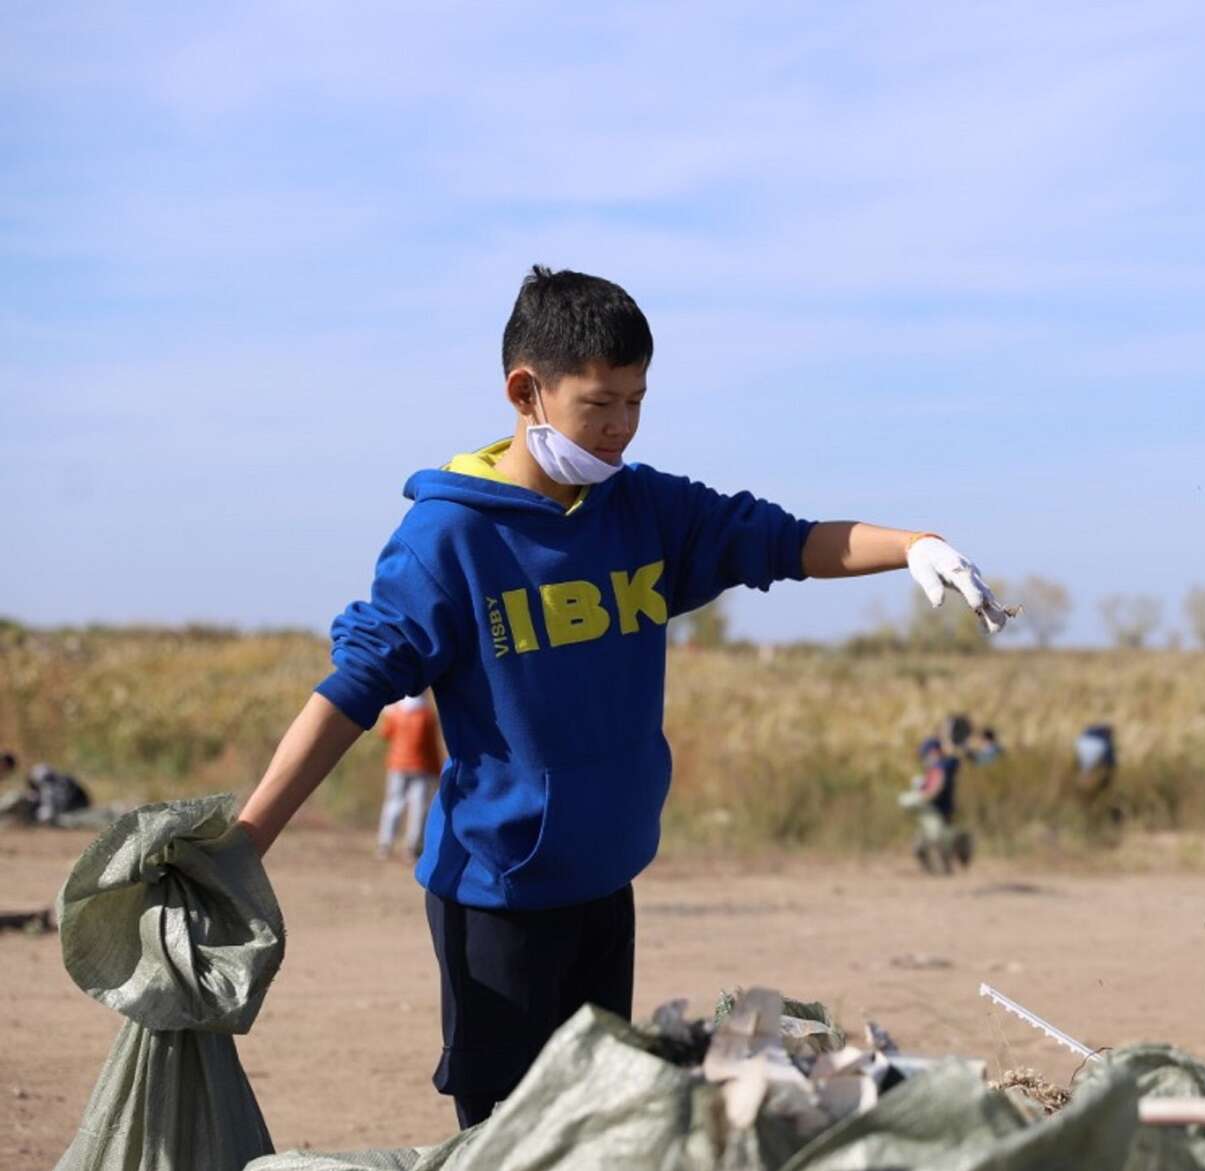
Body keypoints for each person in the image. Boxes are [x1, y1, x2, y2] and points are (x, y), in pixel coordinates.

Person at [232, 266, 1013, 1126]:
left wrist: (914, 545)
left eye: (637, 401)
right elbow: (352, 689)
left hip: (607, 878)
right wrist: (247, 840)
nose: (620, 429)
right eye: (599, 404)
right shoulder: (449, 539)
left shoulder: (644, 511)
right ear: (525, 391)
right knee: (510, 1133)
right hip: (499, 895)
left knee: (598, 1124)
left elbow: (787, 541)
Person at [374, 693, 444, 860]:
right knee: (418, 807)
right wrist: (437, 768)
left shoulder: (397, 712)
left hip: (398, 765)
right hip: (421, 766)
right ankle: (412, 847)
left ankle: (385, 843)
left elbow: (384, 734)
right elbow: (431, 746)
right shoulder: (426, 715)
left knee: (393, 803)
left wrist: (388, 715)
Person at [904, 736, 973, 874]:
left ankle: (960, 844)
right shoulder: (943, 765)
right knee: (921, 846)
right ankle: (935, 871)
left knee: (940, 840)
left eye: (925, 754)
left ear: (934, 752)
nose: (924, 758)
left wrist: (920, 797)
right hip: (934, 811)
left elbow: (936, 786)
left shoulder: (941, 766)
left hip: (938, 811)